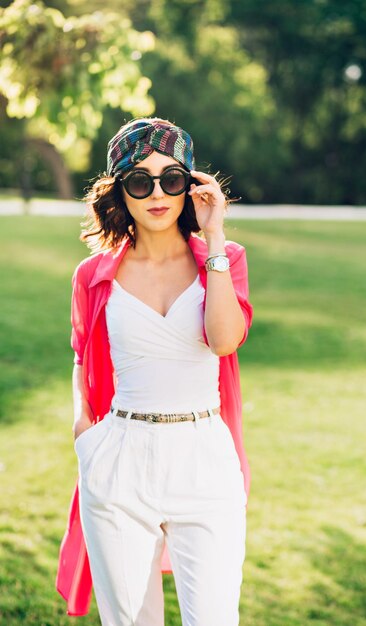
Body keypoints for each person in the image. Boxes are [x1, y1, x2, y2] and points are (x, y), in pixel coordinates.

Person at [56, 117, 253, 626]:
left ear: (191, 184)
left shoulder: (224, 258)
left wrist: (213, 238)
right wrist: (84, 431)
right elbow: (82, 355)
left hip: (203, 456)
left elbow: (225, 339)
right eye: (141, 181)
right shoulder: (94, 275)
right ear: (121, 190)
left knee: (213, 618)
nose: (158, 194)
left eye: (173, 178)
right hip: (121, 457)